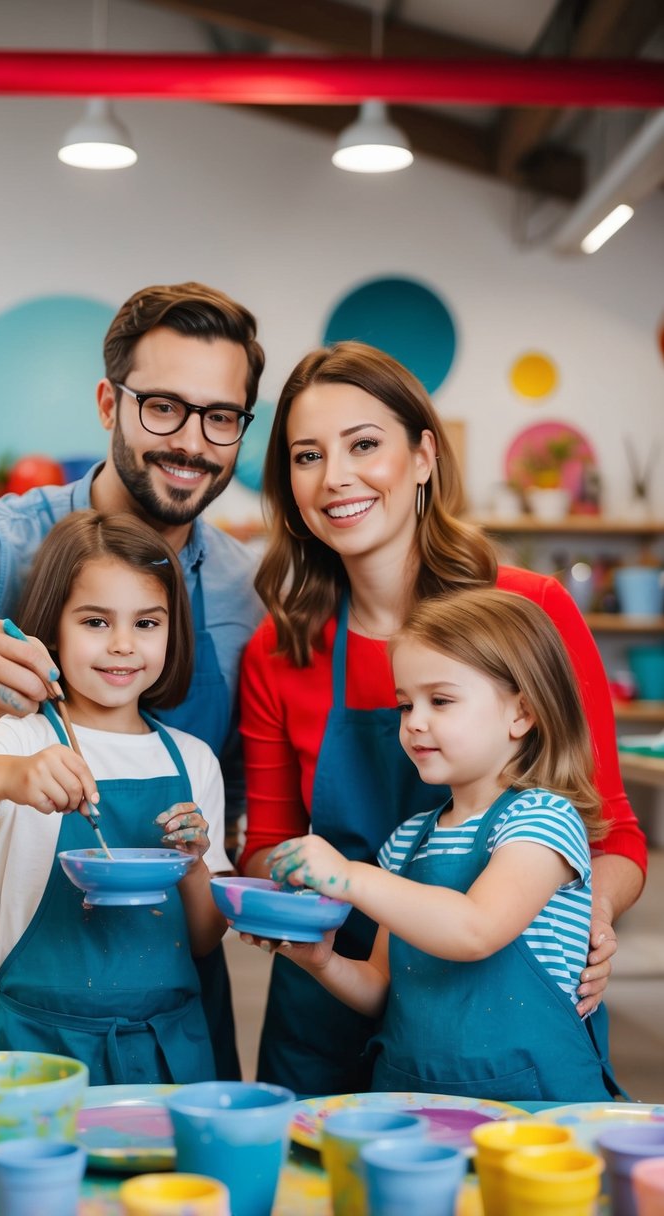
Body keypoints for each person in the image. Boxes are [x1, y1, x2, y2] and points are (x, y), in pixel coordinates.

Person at [238, 341, 646, 1098]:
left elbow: (611, 829)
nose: (335, 478)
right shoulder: (279, 647)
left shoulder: (529, 615)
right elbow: (265, 845)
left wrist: (574, 917)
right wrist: (299, 896)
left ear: (423, 456)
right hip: (331, 1000)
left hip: (502, 1012)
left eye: (364, 445)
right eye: (306, 456)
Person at [0, 282, 266, 1074]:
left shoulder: (244, 591)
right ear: (108, 402)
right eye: (161, 405)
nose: (190, 441)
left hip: (167, 1023)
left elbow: (235, 816)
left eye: (220, 416)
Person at [255, 588, 625, 1103]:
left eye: (441, 701)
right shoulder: (407, 842)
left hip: (535, 1109)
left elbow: (477, 928)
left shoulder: (542, 821)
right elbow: (381, 988)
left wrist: (351, 877)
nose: (414, 723)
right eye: (405, 704)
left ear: (522, 713)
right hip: (415, 1099)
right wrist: (322, 961)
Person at [0, 511, 226, 1084]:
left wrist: (193, 864)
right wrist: (15, 775)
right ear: (52, 629)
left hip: (165, 1049)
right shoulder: (22, 737)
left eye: (146, 623)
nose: (122, 645)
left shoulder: (192, 760)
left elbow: (207, 937)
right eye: (94, 621)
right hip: (36, 1047)